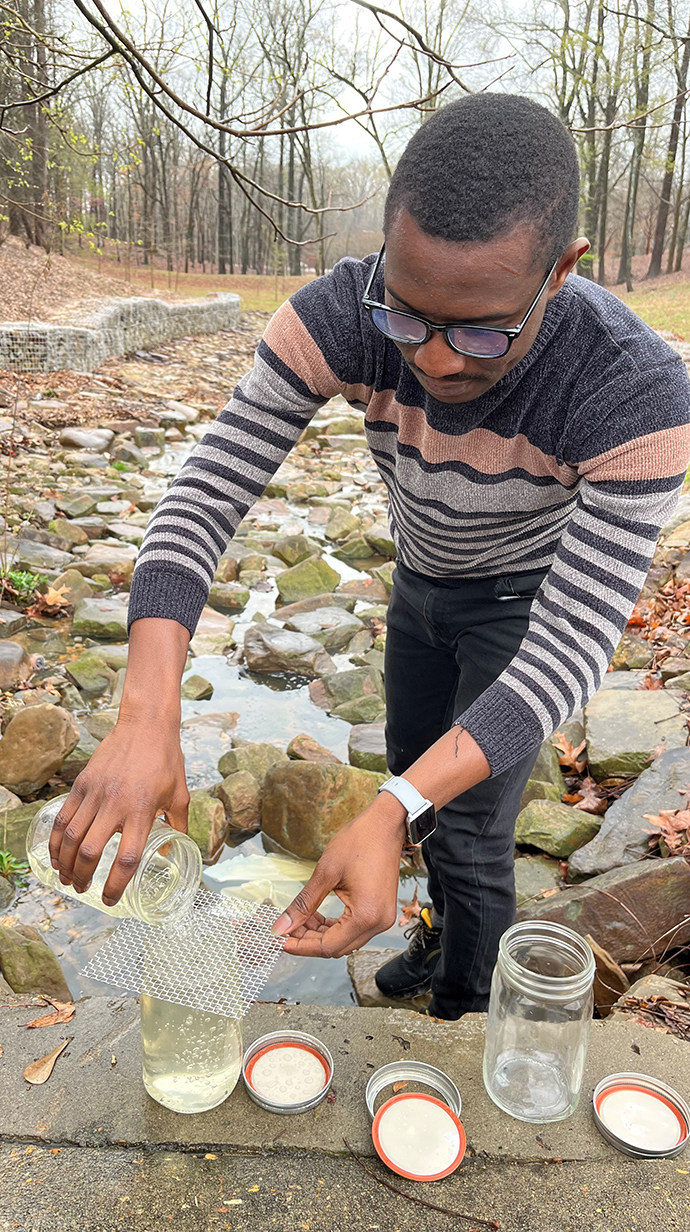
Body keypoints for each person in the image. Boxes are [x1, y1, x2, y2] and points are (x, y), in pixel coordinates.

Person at [47, 94, 690, 1021]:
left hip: (523, 603)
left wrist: (386, 810)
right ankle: (434, 929)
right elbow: (205, 492)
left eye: (479, 332)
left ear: (561, 272)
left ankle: (459, 1012)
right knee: (407, 768)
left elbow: (569, 652)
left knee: (466, 827)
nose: (431, 360)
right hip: (420, 581)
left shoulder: (632, 389)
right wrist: (146, 714)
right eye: (407, 314)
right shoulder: (343, 314)